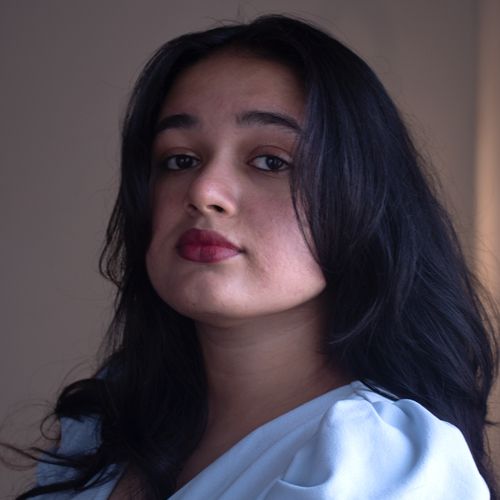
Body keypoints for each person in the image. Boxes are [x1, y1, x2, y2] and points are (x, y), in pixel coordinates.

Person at [15, 14, 498, 499]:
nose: (204, 191)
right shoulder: (105, 426)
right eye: (180, 160)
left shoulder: (379, 461)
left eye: (270, 161)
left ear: (363, 199)